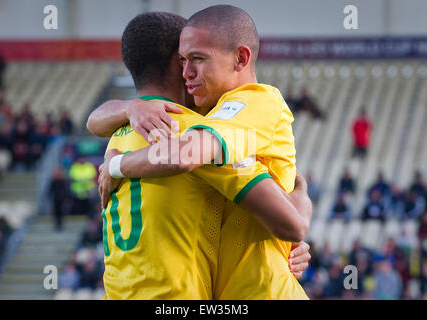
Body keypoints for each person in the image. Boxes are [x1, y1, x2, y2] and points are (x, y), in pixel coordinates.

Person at [92, 7, 311, 299]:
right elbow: (293, 217)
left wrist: (117, 164)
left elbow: (185, 155)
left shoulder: (128, 133)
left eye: (197, 59)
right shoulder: (192, 125)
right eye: (183, 60)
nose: (187, 72)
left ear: (241, 58)